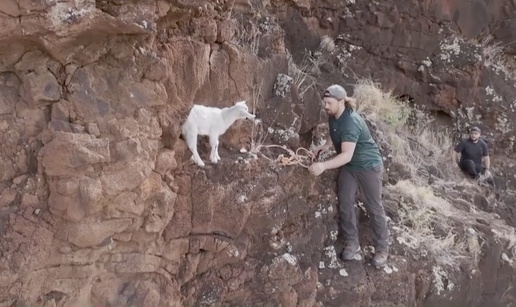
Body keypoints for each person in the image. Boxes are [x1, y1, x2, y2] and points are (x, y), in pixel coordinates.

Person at [308, 84, 390, 268]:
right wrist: (326, 145)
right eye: (325, 103)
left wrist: (323, 165)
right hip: (350, 168)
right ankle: (352, 242)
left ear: (341, 101)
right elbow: (334, 131)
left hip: (368, 166)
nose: (326, 106)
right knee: (345, 201)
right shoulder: (334, 115)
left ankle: (382, 249)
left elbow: (346, 155)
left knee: (373, 206)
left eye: (329, 103)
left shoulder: (351, 121)